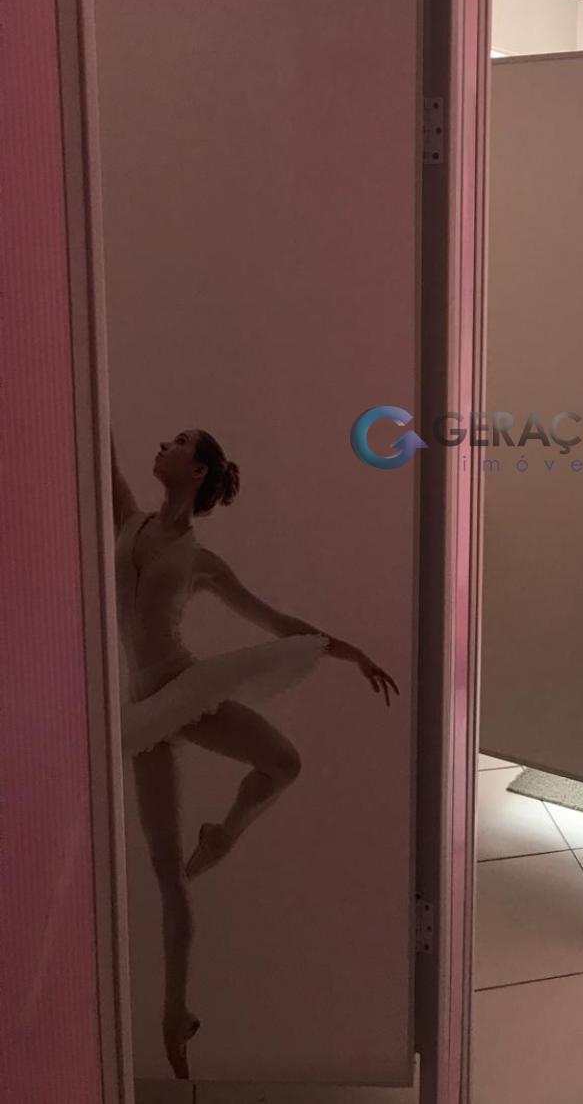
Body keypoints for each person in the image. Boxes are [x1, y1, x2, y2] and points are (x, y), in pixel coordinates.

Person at [111, 427, 397, 1079]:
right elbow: (104, 451)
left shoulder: (201, 561)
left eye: (179, 442)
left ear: (198, 470)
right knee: (168, 877)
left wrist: (350, 652)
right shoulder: (128, 519)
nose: (164, 443)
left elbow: (276, 623)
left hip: (188, 688)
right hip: (145, 713)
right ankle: (175, 1014)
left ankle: (225, 834)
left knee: (284, 762)